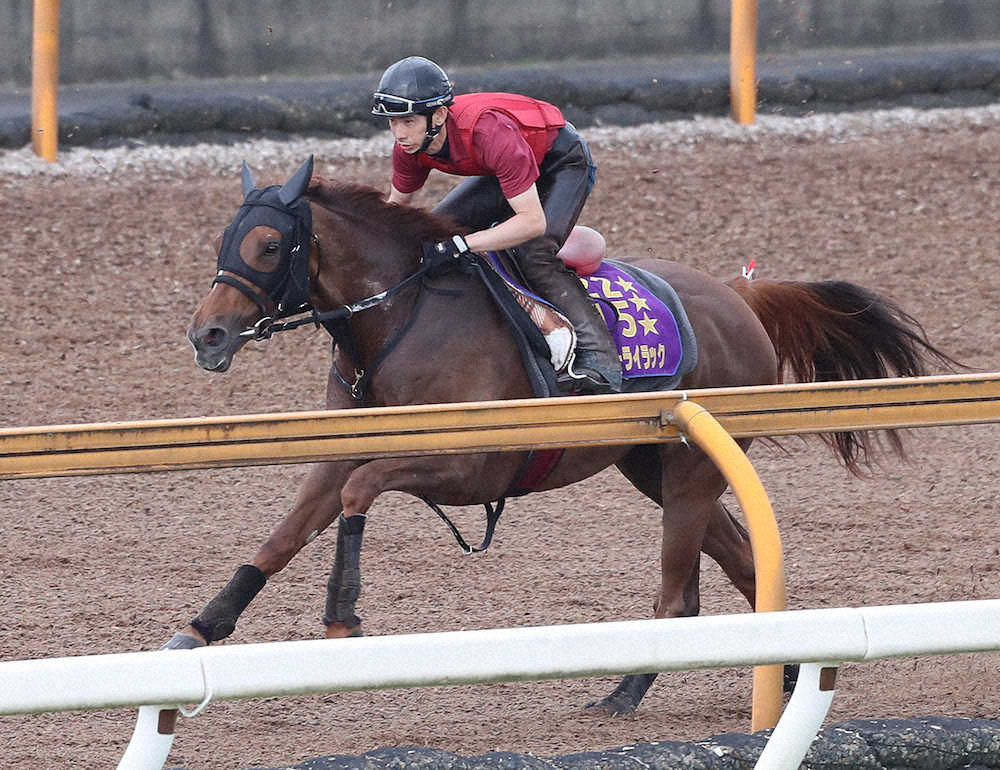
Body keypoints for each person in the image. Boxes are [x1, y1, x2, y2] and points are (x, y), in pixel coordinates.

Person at [371, 55, 622, 394]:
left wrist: (466, 243)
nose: (399, 134)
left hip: (561, 163)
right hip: (507, 166)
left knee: (534, 253)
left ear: (439, 115)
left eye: (408, 122)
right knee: (436, 232)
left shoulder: (488, 132)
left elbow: (531, 222)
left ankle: (600, 360)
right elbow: (393, 210)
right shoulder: (409, 147)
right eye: (392, 122)